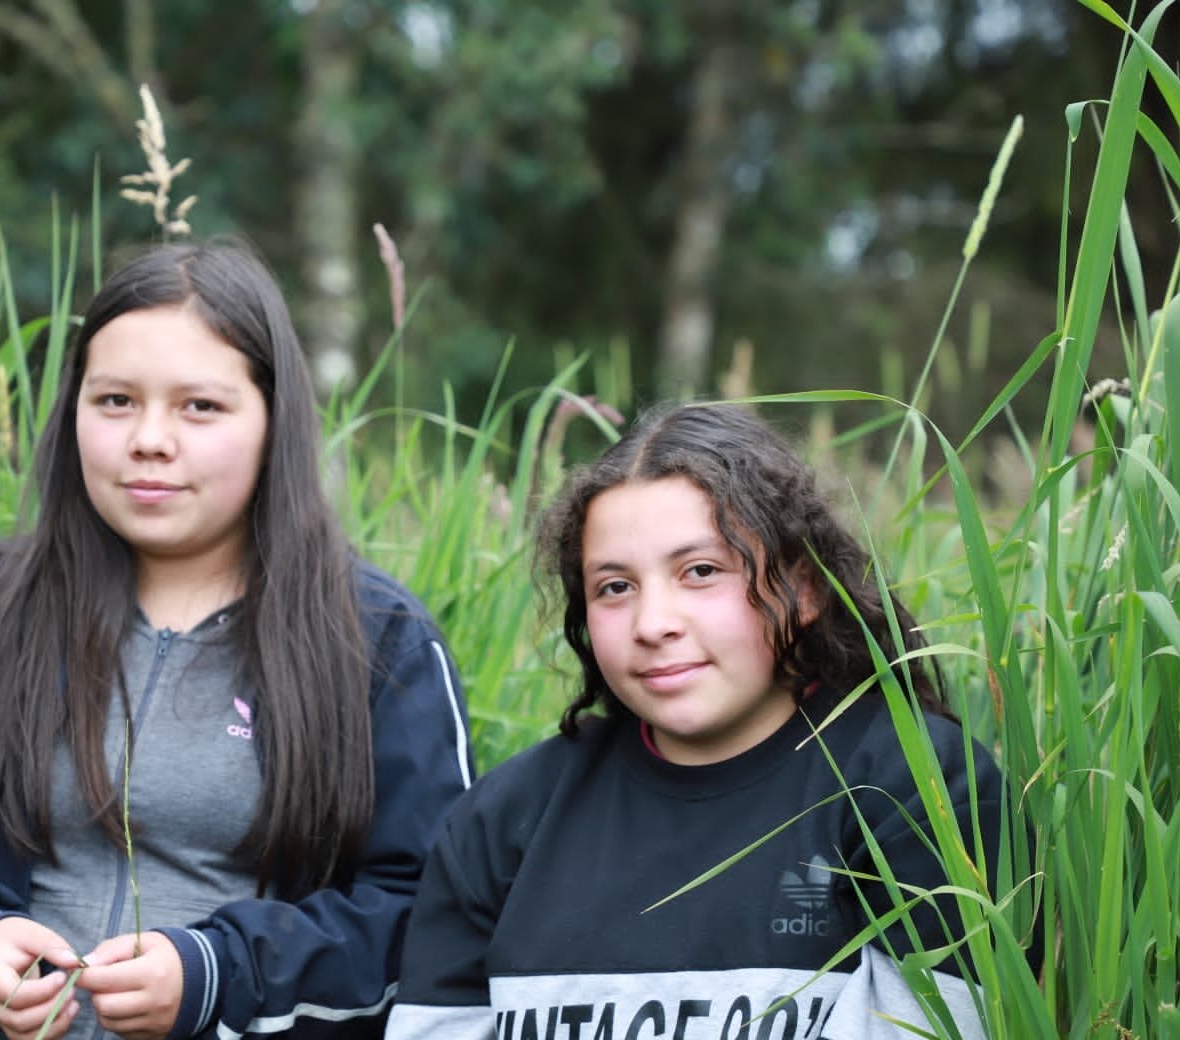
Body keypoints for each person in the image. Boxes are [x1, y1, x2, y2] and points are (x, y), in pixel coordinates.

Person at [0, 239, 474, 1040]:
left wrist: (212, 976)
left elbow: (426, 912)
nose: (149, 439)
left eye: (201, 406)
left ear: (274, 422)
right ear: (73, 412)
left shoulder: (379, 643)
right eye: (116, 400)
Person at [386, 402, 1025, 1040]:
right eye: (614, 587)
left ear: (803, 589)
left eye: (701, 572)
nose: (652, 623)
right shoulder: (499, 823)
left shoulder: (917, 787)